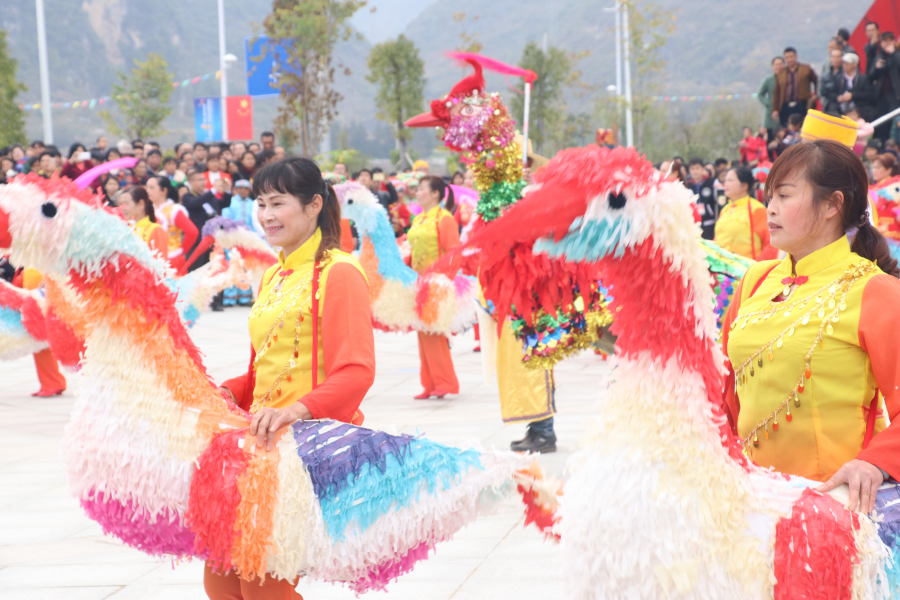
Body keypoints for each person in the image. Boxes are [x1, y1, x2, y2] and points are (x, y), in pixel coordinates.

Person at [211, 157, 375, 599]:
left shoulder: (338, 272)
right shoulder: (274, 276)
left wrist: (296, 411)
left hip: (304, 448)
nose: (266, 215)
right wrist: (221, 392)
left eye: (278, 203)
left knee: (263, 586)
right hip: (258, 445)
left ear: (313, 205)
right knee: (222, 582)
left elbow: (357, 369)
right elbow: (259, 370)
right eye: (261, 203)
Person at [721, 139, 900, 513]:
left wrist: (875, 461)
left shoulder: (874, 290)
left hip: (830, 508)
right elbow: (721, 389)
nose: (770, 209)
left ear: (833, 204)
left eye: (785, 196)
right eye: (769, 197)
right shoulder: (755, 280)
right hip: (746, 503)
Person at [408, 175, 460, 399]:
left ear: (435, 194)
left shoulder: (445, 218)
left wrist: (442, 281)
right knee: (423, 333)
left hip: (436, 283)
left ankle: (445, 382)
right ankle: (428, 384)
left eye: (421, 189)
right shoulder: (418, 219)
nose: (417, 193)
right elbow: (413, 251)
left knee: (436, 333)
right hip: (418, 282)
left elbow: (453, 252)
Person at [714, 165, 775, 260]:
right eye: (725, 180)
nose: (725, 184)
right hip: (721, 269)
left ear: (744, 185)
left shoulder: (757, 209)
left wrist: (757, 269)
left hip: (746, 271)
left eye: (730, 180)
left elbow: (772, 243)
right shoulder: (725, 209)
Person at [147, 175, 198, 271]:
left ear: (163, 191)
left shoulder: (174, 210)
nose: (148, 191)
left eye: (152, 187)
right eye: (147, 187)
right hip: (151, 260)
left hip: (171, 259)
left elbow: (192, 232)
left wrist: (182, 250)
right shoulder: (147, 209)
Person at [182, 170, 228, 272]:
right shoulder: (188, 196)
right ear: (191, 182)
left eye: (204, 179)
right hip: (198, 240)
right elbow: (196, 203)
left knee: (211, 270)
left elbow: (224, 203)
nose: (203, 182)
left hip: (213, 239)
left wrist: (227, 191)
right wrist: (213, 191)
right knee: (196, 270)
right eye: (200, 180)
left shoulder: (208, 196)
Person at [772, 47, 819, 128]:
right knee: (786, 128)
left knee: (803, 127)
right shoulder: (781, 73)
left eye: (791, 56)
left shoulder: (806, 69)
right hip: (785, 106)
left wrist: (816, 94)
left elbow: (817, 81)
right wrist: (775, 109)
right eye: (787, 57)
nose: (789, 59)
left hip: (802, 104)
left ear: (796, 56)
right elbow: (777, 92)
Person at [119, 186, 168, 258]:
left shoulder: (155, 230)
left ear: (140, 204)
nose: (122, 208)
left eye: (125, 204)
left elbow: (161, 264)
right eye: (120, 204)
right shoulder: (124, 228)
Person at [871, 32, 900, 142]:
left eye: (890, 40)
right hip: (881, 96)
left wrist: (894, 53)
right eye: (885, 40)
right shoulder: (879, 56)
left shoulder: (897, 54)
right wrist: (877, 68)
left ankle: (894, 144)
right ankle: (883, 145)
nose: (888, 43)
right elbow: (870, 76)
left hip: (895, 95)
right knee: (882, 123)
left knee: (895, 121)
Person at [870, 153, 900, 242]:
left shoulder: (895, 186)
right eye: (873, 167)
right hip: (876, 231)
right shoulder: (872, 188)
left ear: (889, 170)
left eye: (878, 168)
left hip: (892, 233)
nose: (874, 170)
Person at [686, 157, 717, 240]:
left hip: (710, 221)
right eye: (692, 169)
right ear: (689, 170)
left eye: (697, 168)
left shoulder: (712, 182)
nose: (695, 171)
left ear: (703, 169)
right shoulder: (687, 185)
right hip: (694, 223)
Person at [759, 57, 785, 139]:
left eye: (780, 64)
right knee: (771, 140)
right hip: (771, 113)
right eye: (776, 64)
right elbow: (760, 94)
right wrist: (768, 103)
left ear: (784, 65)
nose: (778, 66)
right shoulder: (768, 79)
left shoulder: (788, 78)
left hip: (785, 111)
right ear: (773, 67)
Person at [820, 48, 847, 115]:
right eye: (833, 57)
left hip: (843, 106)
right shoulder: (825, 75)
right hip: (828, 105)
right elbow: (822, 91)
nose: (835, 59)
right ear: (830, 58)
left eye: (838, 57)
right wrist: (836, 97)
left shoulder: (845, 74)